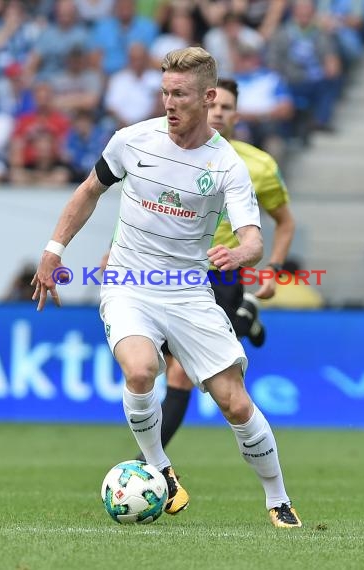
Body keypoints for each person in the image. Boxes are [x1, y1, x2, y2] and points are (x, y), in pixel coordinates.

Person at [32, 47, 301, 528]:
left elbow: (255, 239)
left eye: (180, 94)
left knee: (235, 402)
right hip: (130, 282)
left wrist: (239, 255)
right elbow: (89, 191)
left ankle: (278, 499)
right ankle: (161, 469)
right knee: (140, 372)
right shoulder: (132, 141)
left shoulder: (228, 166)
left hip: (190, 293)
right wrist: (54, 249)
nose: (169, 103)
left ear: (209, 97)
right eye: (165, 93)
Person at [134, 77, 295, 471]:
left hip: (221, 274)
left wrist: (272, 269)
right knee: (172, 369)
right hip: (174, 272)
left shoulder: (256, 165)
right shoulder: (175, 154)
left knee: (180, 375)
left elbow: (284, 221)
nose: (219, 112)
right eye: (215, 105)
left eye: (227, 107)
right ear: (203, 106)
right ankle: (247, 318)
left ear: (237, 114)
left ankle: (143, 467)